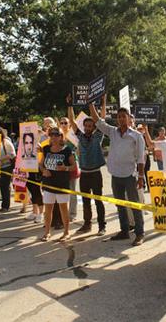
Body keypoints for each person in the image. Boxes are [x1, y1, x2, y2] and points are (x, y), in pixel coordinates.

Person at [89, 101, 146, 246]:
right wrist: (91, 104)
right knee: (120, 205)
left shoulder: (137, 136)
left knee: (134, 205)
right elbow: (98, 121)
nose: (121, 119)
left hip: (130, 176)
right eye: (119, 117)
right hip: (116, 175)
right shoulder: (113, 132)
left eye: (123, 116)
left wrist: (140, 177)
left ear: (129, 118)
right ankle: (124, 231)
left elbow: (141, 158)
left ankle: (139, 233)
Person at [68, 96, 107, 235]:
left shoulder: (98, 136)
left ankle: (102, 226)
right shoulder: (80, 136)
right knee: (85, 201)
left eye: (91, 126)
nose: (88, 127)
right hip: (84, 173)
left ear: (94, 127)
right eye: (86, 126)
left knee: (98, 201)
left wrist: (103, 102)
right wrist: (70, 105)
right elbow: (72, 121)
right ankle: (87, 224)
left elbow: (102, 119)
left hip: (96, 173)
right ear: (84, 126)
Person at [39, 127, 76, 242]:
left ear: (61, 136)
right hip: (48, 184)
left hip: (62, 184)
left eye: (57, 135)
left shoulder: (67, 150)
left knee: (63, 209)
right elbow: (41, 165)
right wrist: (44, 170)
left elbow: (74, 166)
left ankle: (66, 232)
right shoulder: (46, 149)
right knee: (48, 210)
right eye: (52, 135)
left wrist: (65, 168)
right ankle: (47, 232)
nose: (54, 137)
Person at [59, 117, 79, 221]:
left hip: (71, 166)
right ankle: (63, 213)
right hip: (60, 168)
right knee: (61, 192)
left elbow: (77, 148)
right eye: (61, 123)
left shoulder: (73, 135)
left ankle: (72, 214)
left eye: (65, 123)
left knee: (72, 191)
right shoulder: (58, 136)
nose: (63, 124)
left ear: (69, 124)